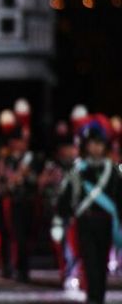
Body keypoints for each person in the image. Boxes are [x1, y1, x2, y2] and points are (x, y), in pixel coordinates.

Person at [54, 116, 122, 304]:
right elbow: (66, 198)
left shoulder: (113, 171)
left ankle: (98, 297)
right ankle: (92, 297)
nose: (96, 148)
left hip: (106, 222)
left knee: (101, 265)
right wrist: (60, 220)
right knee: (90, 262)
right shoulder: (78, 170)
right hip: (85, 221)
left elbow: (119, 198)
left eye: (100, 144)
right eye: (93, 144)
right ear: (86, 145)